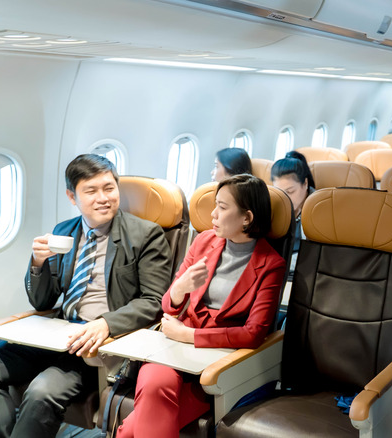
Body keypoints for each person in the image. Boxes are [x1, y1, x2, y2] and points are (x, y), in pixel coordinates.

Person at [0, 154, 173, 437]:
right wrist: (37, 264)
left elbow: (153, 302)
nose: (103, 198)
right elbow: (42, 302)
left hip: (96, 344)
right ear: (72, 197)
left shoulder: (145, 234)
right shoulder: (63, 232)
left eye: (109, 188)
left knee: (41, 392)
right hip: (56, 333)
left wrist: (106, 323)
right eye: (91, 191)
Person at [116, 174, 286, 438]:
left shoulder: (271, 264)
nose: (213, 214)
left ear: (247, 218)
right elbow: (169, 307)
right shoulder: (203, 241)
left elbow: (254, 333)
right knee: (153, 384)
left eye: (222, 207)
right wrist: (180, 289)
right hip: (175, 350)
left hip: (218, 362)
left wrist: (189, 335)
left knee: (129, 432)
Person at [271, 151, 316, 253]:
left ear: (305, 183)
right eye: (280, 192)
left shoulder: (317, 208)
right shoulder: (274, 204)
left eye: (290, 191)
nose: (285, 198)